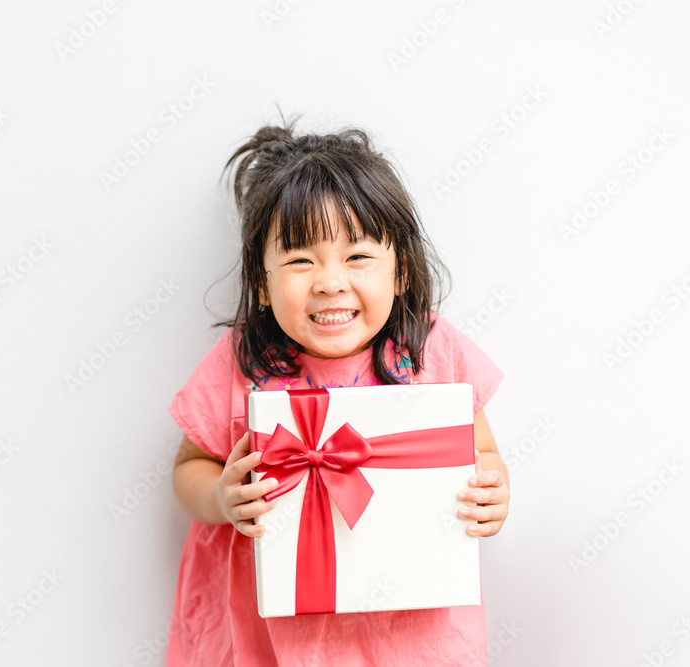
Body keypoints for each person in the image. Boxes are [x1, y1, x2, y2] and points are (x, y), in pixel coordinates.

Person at [166, 114, 510, 666]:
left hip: (410, 632)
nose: (329, 281)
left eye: (357, 257)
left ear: (399, 270)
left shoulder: (428, 350)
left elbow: (483, 453)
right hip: (276, 635)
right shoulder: (241, 362)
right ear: (260, 280)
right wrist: (220, 498)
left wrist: (493, 494)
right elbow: (189, 470)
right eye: (300, 261)